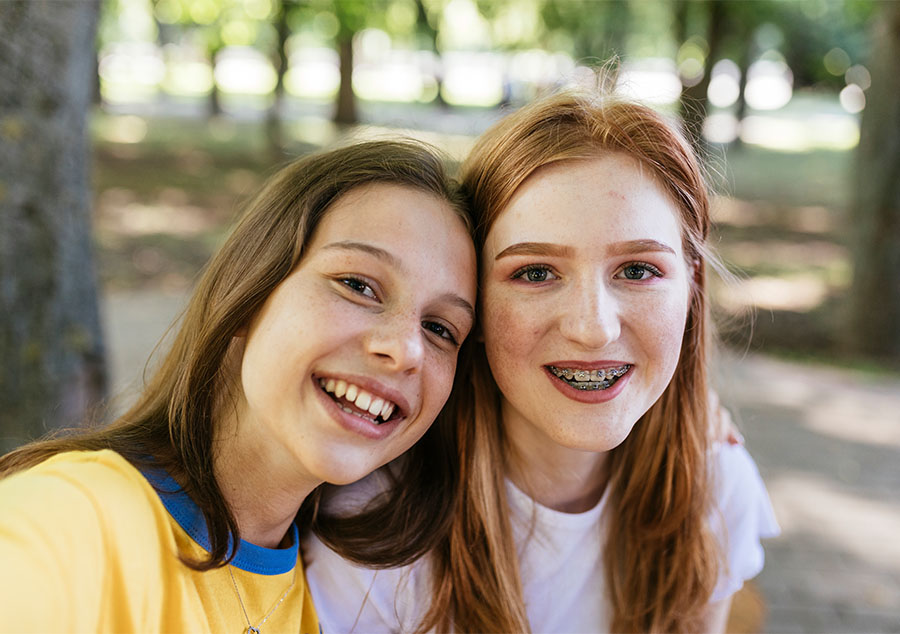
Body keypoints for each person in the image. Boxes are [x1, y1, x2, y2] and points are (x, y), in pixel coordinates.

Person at [302, 91, 779, 633]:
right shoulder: (378, 523)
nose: (593, 327)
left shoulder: (713, 485)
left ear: (692, 288)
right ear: (474, 303)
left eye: (639, 270)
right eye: (535, 273)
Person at [0, 140, 477, 633]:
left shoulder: (319, 603)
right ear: (248, 294)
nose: (406, 349)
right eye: (357, 285)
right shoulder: (71, 520)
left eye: (441, 329)